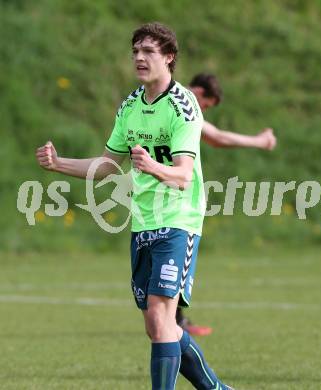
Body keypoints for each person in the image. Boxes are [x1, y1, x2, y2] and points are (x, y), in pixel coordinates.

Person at [36, 23, 233, 390]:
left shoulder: (184, 105)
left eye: (149, 51)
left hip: (178, 220)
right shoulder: (130, 106)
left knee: (161, 318)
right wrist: (58, 163)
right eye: (135, 52)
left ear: (169, 58)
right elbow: (109, 165)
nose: (140, 58)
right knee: (159, 327)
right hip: (143, 222)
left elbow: (183, 176)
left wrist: (151, 165)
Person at [176, 73, 276, 336]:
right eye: (206, 105)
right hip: (172, 192)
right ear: (197, 92)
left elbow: (213, 137)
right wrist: (260, 141)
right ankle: (175, 322)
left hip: (162, 191)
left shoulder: (171, 101)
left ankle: (174, 319)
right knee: (175, 255)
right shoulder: (179, 101)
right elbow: (217, 138)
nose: (203, 110)